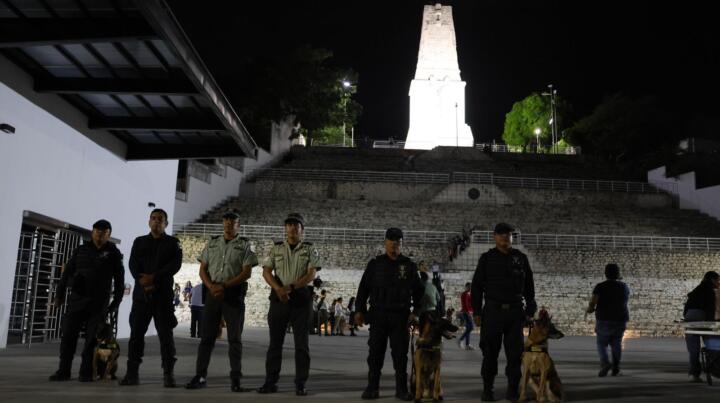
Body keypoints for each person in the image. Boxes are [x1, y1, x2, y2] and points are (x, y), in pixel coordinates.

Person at [185, 210, 257, 392]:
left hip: (233, 294)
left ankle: (235, 379)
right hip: (212, 293)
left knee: (234, 339)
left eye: (232, 221)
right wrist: (211, 286)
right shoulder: (213, 243)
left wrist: (224, 287)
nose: (228, 224)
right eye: (225, 221)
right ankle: (200, 376)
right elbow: (203, 270)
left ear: (238, 225)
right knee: (206, 338)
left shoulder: (244, 245)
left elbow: (246, 272)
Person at [49, 219, 124, 382]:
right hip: (77, 300)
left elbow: (119, 281)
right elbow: (66, 273)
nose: (100, 235)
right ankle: (64, 371)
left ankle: (86, 372)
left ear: (109, 235)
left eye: (104, 233)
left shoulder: (113, 253)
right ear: (92, 232)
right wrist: (58, 296)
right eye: (97, 231)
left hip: (99, 304)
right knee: (68, 336)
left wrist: (115, 303)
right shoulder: (81, 250)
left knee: (92, 340)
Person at [355, 227, 424, 400]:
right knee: (375, 354)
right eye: (391, 240)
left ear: (401, 244)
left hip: (400, 317)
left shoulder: (409, 265)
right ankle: (372, 387)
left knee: (400, 356)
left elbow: (419, 292)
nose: (394, 244)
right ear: (385, 242)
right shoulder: (375, 264)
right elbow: (363, 290)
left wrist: (415, 312)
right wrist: (359, 311)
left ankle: (401, 390)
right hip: (378, 315)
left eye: (397, 241)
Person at [258, 213, 322, 396]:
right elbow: (266, 272)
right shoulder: (276, 248)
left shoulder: (310, 249)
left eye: (297, 225)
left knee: (301, 345)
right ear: (285, 228)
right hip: (279, 299)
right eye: (289, 225)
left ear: (302, 230)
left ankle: (300, 383)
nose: (293, 228)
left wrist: (290, 287)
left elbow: (312, 275)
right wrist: (279, 289)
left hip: (301, 300)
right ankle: (270, 381)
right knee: (274, 344)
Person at [472, 223, 536, 402]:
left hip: (515, 313)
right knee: (490, 353)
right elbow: (476, 287)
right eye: (500, 234)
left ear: (511, 237)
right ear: (494, 236)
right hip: (492, 312)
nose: (504, 237)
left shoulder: (521, 258)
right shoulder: (486, 258)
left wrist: (530, 310)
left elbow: (529, 287)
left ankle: (512, 390)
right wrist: (477, 311)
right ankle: (487, 390)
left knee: (515, 355)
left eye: (507, 234)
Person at [120, 209, 183, 387]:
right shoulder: (139, 242)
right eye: (153, 219)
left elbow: (174, 265)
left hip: (162, 297)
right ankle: (132, 374)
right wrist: (143, 281)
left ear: (166, 224)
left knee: (166, 337)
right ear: (149, 222)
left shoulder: (173, 243)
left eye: (160, 220)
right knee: (136, 336)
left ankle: (168, 374)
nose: (156, 222)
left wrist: (153, 278)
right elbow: (133, 264)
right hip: (142, 296)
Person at [586, 263, 630, 377]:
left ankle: (605, 363)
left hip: (603, 319)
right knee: (616, 343)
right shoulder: (624, 286)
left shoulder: (600, 287)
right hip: (620, 319)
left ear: (605, 274)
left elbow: (593, 302)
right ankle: (616, 368)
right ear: (618, 273)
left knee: (602, 343)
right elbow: (624, 300)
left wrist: (590, 309)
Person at [683, 270, 720, 382]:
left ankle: (694, 375)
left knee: (693, 350)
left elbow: (686, 309)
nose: (718, 282)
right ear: (712, 280)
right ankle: (714, 368)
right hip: (702, 317)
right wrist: (713, 323)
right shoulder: (710, 290)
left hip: (689, 319)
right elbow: (710, 308)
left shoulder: (697, 289)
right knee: (712, 343)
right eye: (718, 280)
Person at [459, 282, 474, 350]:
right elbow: (465, 304)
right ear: (466, 286)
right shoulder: (465, 294)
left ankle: (467, 344)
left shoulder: (467, 294)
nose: (470, 288)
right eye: (469, 287)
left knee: (469, 328)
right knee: (471, 327)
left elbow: (470, 304)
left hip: (467, 312)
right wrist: (469, 313)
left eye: (471, 287)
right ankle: (461, 339)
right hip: (466, 313)